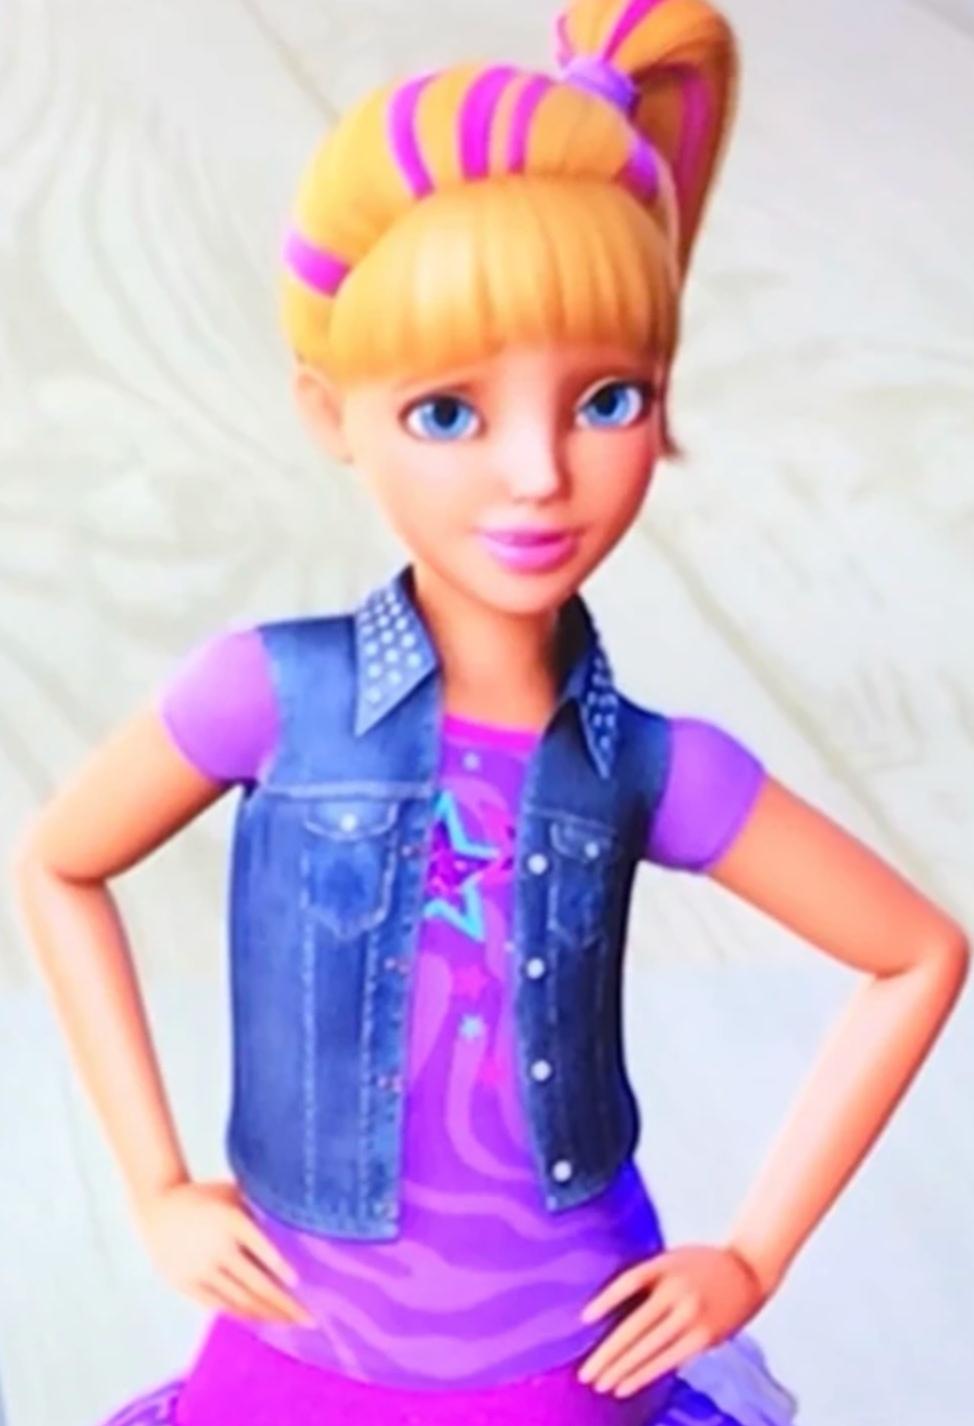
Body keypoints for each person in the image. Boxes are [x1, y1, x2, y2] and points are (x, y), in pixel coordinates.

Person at [10, 0, 969, 1422]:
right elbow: (57, 861)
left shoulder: (648, 764)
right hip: (301, 1328)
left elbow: (918, 950)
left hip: (570, 1346)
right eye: (449, 413)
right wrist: (154, 1185)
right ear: (330, 413)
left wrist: (751, 1257)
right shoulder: (271, 694)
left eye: (606, 399)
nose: (537, 474)